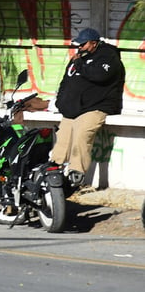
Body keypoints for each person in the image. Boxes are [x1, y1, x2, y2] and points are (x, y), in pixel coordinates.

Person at [51, 27, 125, 187]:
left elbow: (99, 75)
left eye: (83, 45)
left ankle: (76, 173)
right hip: (72, 109)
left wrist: (79, 64)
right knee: (62, 140)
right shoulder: (78, 58)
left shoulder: (108, 57)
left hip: (95, 107)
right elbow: (66, 81)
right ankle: (53, 171)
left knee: (81, 135)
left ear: (93, 43)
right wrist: (60, 100)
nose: (80, 48)